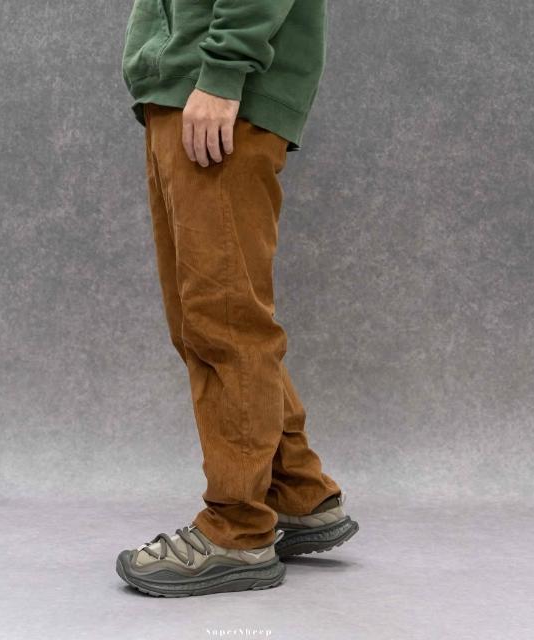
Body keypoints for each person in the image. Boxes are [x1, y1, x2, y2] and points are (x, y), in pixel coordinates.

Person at [115, 0, 358, 597]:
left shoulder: (220, 80)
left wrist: (222, 73)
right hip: (183, 88)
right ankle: (295, 489)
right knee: (205, 321)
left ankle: (238, 530)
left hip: (217, 92)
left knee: (223, 324)